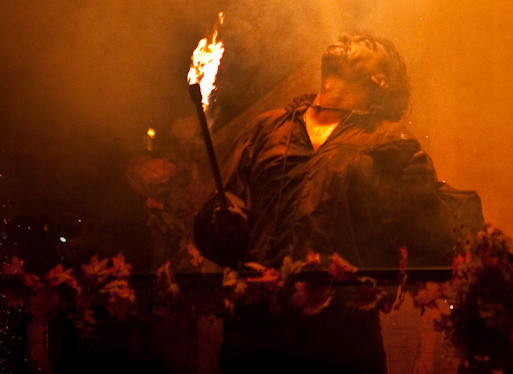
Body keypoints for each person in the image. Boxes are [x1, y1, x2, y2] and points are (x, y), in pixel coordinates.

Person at [194, 33, 483, 374]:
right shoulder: (268, 127)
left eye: (364, 42)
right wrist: (221, 222)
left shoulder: (389, 141)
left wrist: (420, 201)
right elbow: (217, 223)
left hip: (341, 341)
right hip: (254, 339)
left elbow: (423, 245)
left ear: (381, 78)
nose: (346, 36)